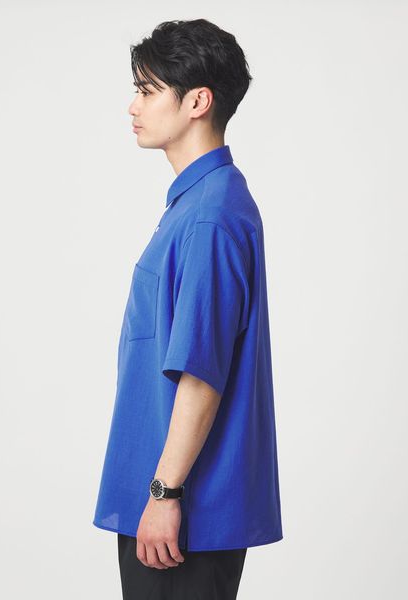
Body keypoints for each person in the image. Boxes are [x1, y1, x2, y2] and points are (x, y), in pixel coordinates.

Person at [93, 18, 283, 599]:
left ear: (197, 101)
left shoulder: (209, 216)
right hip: (168, 502)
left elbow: (201, 371)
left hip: (185, 515)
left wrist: (165, 493)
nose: (133, 106)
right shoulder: (197, 204)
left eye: (148, 90)